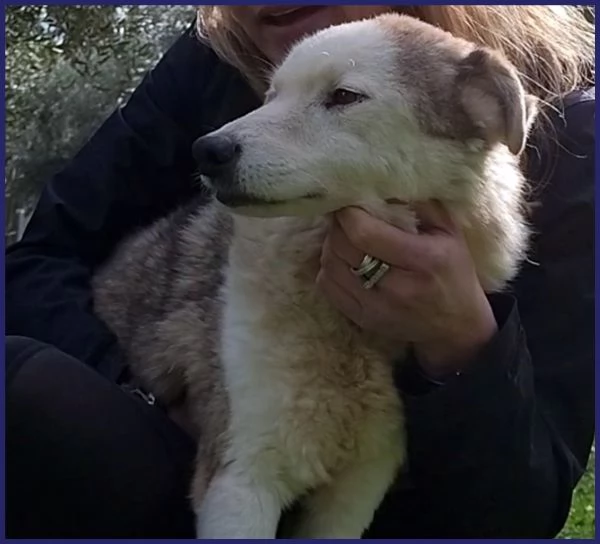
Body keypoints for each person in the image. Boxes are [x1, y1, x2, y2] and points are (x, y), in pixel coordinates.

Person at [5, 5, 595, 538]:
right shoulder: (212, 61)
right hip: (194, 463)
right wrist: (154, 395)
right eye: (272, 93)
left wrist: (459, 341)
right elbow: (36, 263)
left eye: (341, 97)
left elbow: (521, 509)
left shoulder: (569, 135)